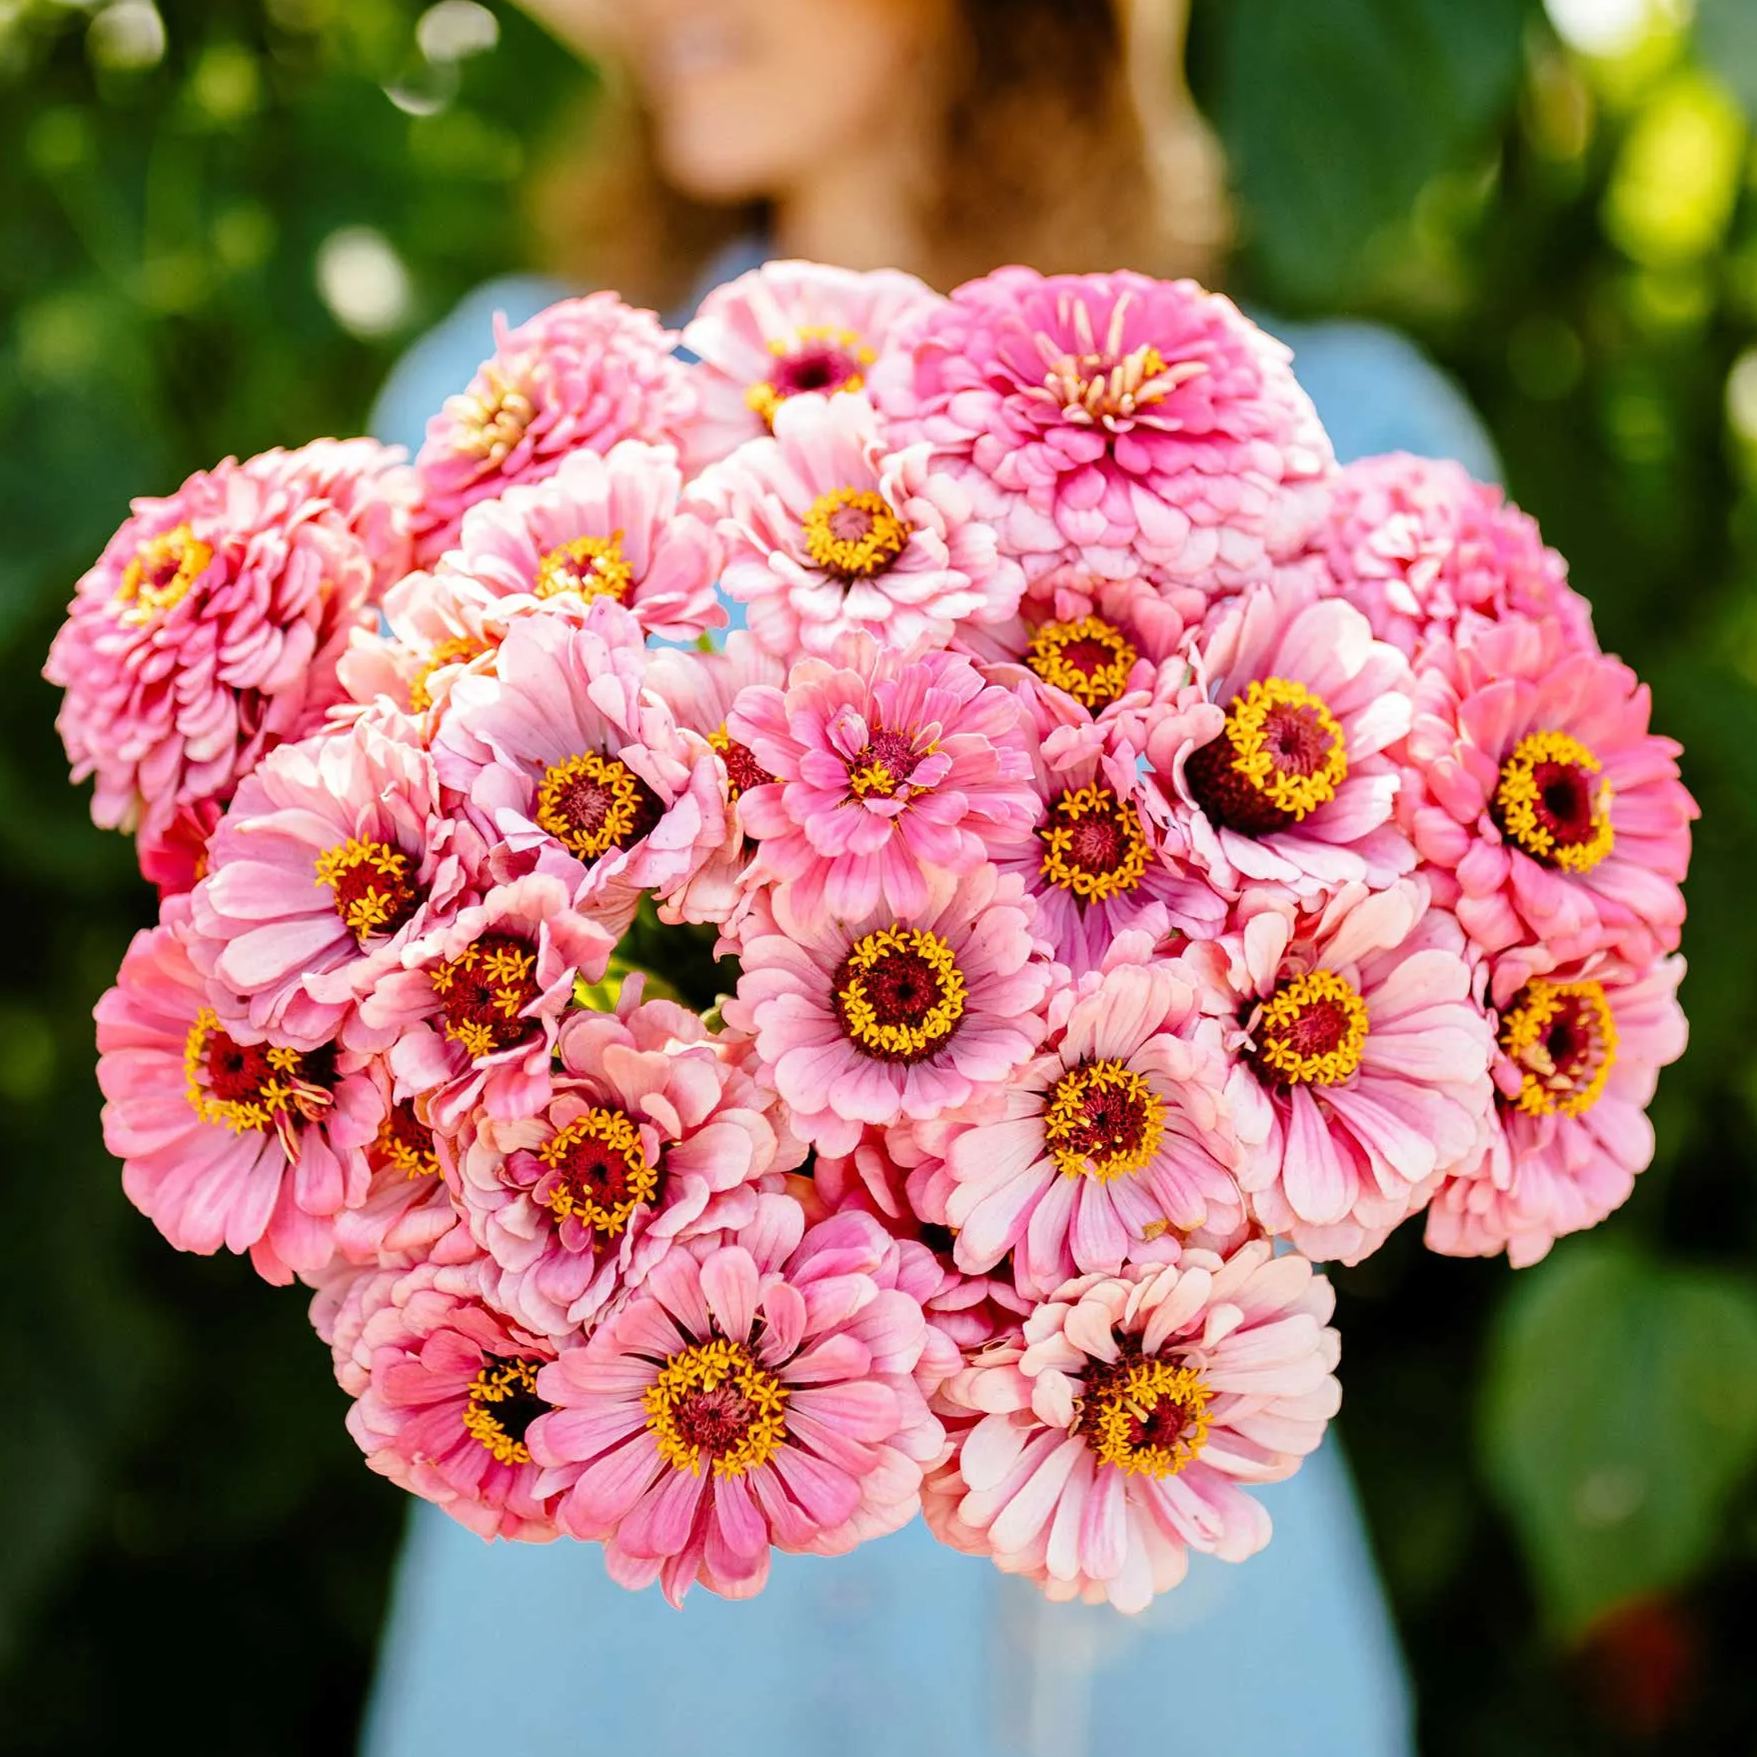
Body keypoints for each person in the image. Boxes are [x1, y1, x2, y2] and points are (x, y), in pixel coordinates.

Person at [365, 5, 1494, 1752]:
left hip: (1140, 1554)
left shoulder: (1344, 448)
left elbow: (1431, 1069)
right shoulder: (499, 419)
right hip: (618, 1607)